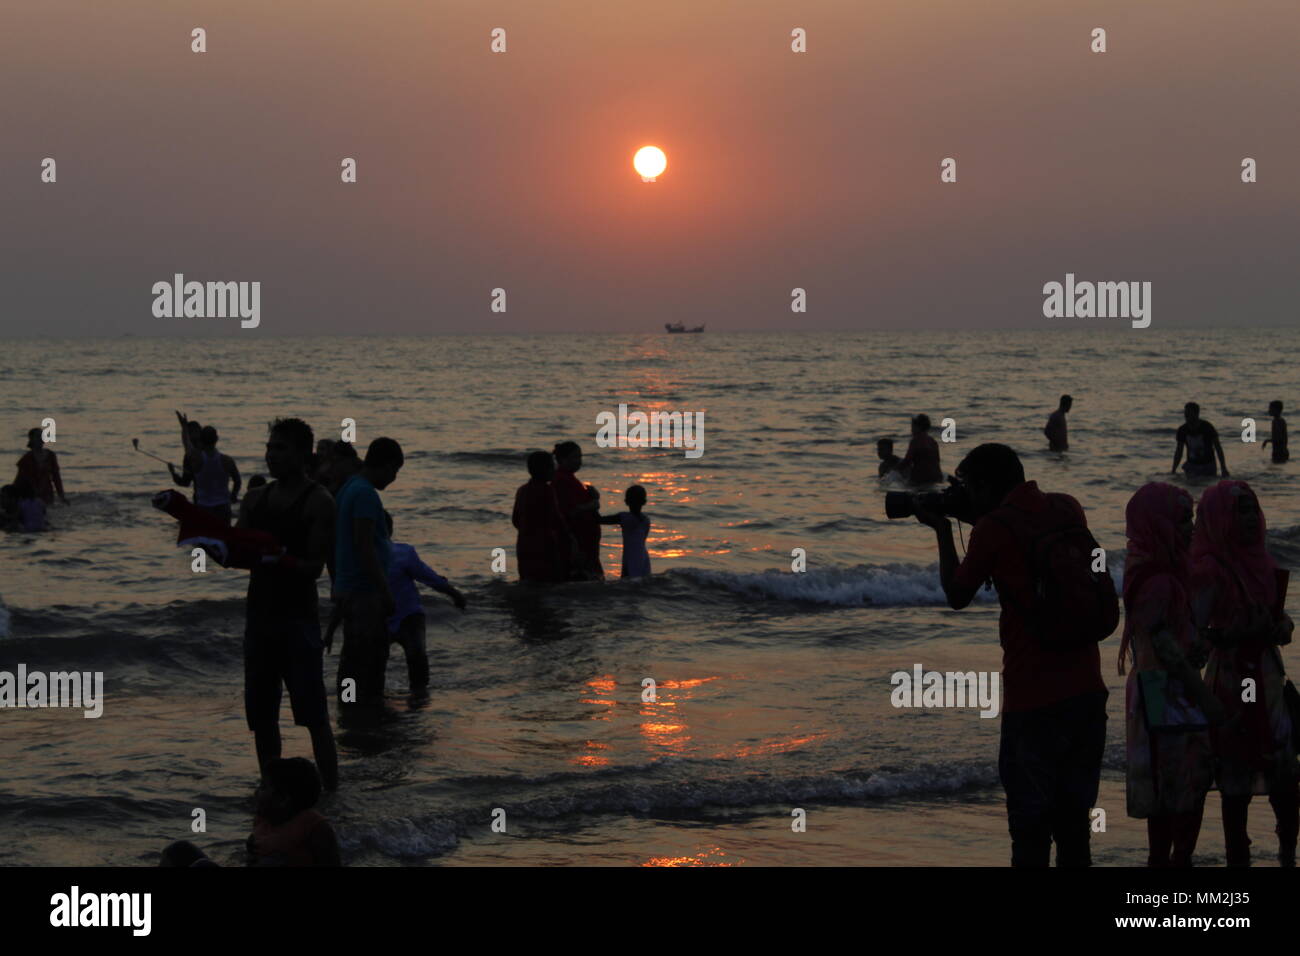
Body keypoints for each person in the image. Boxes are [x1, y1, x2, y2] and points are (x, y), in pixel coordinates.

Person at [914, 443, 1109, 867]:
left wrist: (943, 529)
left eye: (968, 486)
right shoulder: (1067, 508)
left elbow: (957, 594)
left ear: (983, 486)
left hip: (1034, 699)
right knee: (1075, 828)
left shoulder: (993, 530)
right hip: (1088, 694)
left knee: (1030, 831)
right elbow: (1022, 532)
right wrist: (978, 514)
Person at [1190, 481, 1298, 866]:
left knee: (1284, 769)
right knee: (1234, 772)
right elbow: (1194, 637)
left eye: (1254, 509)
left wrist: (1282, 627)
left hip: (1267, 678)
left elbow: (1278, 617)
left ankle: (1288, 850)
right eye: (1241, 510)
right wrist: (1232, 634)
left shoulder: (1263, 563)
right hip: (1230, 683)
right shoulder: (1209, 570)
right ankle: (1238, 853)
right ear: (1220, 519)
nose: (1251, 518)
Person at [1118, 483, 1218, 866]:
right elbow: (1169, 653)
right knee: (1178, 783)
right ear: (1156, 525)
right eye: (1180, 521)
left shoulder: (1158, 569)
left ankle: (1171, 858)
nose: (1190, 528)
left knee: (1173, 786)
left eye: (1190, 520)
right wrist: (1206, 698)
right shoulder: (1159, 580)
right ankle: (1175, 860)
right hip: (1163, 689)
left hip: (1158, 686)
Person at [237, 418, 337, 790]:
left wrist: (280, 558)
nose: (271, 455)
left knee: (314, 717)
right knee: (262, 718)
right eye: (269, 447)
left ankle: (333, 798)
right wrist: (205, 538)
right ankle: (272, 793)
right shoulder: (254, 499)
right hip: (259, 620)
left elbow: (314, 567)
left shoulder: (319, 502)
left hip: (298, 622)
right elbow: (237, 552)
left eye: (281, 448)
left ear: (303, 455)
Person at [159, 757, 341, 867]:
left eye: (263, 787)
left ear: (283, 799)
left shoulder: (315, 827)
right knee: (178, 850)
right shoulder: (264, 821)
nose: (256, 792)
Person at [334, 437, 404, 707]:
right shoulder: (364, 494)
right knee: (368, 657)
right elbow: (364, 546)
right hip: (365, 591)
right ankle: (364, 711)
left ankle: (351, 708)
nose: (394, 479)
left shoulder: (349, 487)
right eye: (394, 471)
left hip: (352, 587)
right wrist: (385, 591)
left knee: (354, 655)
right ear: (385, 465)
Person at [384, 510, 466, 693]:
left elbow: (428, 577)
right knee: (416, 660)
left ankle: (410, 699)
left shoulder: (399, 553)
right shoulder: (401, 552)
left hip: (405, 616)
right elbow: (429, 577)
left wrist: (453, 593)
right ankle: (418, 697)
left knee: (384, 663)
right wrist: (454, 594)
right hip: (404, 616)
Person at [512, 451, 576, 584]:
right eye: (552, 467)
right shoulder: (546, 490)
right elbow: (557, 520)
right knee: (551, 582)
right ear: (545, 470)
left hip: (524, 544)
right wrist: (570, 540)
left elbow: (515, 520)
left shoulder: (522, 490)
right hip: (545, 545)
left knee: (529, 580)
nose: (555, 470)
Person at [553, 441, 603, 579]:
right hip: (577, 539)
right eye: (575, 457)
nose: (579, 461)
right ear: (563, 459)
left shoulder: (570, 478)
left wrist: (593, 497)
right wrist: (593, 504)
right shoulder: (562, 480)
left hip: (584, 539)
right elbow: (570, 510)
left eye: (580, 457)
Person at [188, 425, 241, 524]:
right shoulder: (227, 460)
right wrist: (233, 496)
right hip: (223, 507)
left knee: (205, 537)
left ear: (201, 440)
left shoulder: (196, 460)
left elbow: (188, 448)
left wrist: (184, 429)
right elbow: (237, 481)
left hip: (203, 507)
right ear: (217, 439)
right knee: (223, 537)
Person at [598, 485, 651, 578]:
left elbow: (600, 520)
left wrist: (594, 503)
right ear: (644, 502)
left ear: (626, 502)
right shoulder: (646, 520)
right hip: (643, 557)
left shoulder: (624, 517)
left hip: (630, 556)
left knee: (628, 578)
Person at [1172, 402, 1228, 479]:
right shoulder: (1182, 430)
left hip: (1208, 465)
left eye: (1189, 414)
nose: (1186, 416)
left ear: (1196, 414)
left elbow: (1218, 448)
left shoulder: (1207, 427)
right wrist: (1173, 469)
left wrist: (1223, 468)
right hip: (1192, 465)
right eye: (1185, 414)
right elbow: (1179, 451)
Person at [15, 427, 67, 506]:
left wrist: (61, 496)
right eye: (38, 436)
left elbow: (56, 477)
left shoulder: (50, 455)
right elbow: (19, 479)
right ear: (31, 439)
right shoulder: (26, 459)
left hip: (47, 494)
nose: (40, 439)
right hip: (31, 495)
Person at [900, 414, 943, 485]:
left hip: (921, 478)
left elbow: (907, 461)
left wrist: (894, 470)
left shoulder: (915, 440)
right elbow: (937, 460)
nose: (911, 430)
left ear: (918, 427)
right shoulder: (932, 441)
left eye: (912, 427)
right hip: (937, 476)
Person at [1262, 400, 1288, 464]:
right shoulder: (1281, 420)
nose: (1269, 411)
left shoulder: (1277, 421)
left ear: (1277, 410)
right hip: (1282, 451)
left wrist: (1267, 441)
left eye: (1271, 409)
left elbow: (1278, 439)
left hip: (1279, 452)